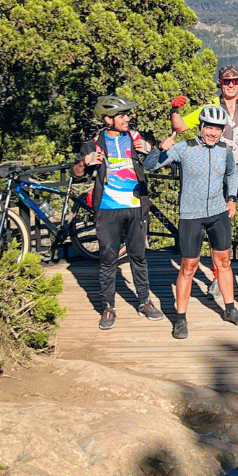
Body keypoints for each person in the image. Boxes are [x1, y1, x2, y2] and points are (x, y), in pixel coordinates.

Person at [146, 105, 238, 338]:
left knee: (223, 262)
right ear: (201, 127)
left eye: (218, 128)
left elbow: (232, 174)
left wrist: (231, 199)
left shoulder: (224, 150)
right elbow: (150, 166)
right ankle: (180, 319)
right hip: (191, 216)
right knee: (188, 267)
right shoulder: (184, 148)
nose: (213, 133)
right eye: (209, 127)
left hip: (218, 214)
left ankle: (230, 309)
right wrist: (159, 150)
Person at [170, 64, 238, 296]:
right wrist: (173, 109)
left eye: (235, 80)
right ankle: (216, 276)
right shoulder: (210, 107)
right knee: (219, 225)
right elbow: (179, 127)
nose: (231, 84)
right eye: (226, 81)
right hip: (218, 175)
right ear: (219, 83)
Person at [72, 95, 164, 330]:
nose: (128, 118)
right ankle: (108, 307)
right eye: (122, 115)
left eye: (127, 114)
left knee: (139, 257)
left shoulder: (135, 139)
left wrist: (151, 149)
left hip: (136, 207)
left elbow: (157, 162)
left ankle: (144, 302)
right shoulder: (94, 143)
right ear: (107, 119)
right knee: (107, 259)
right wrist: (86, 161)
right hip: (107, 210)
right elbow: (76, 173)